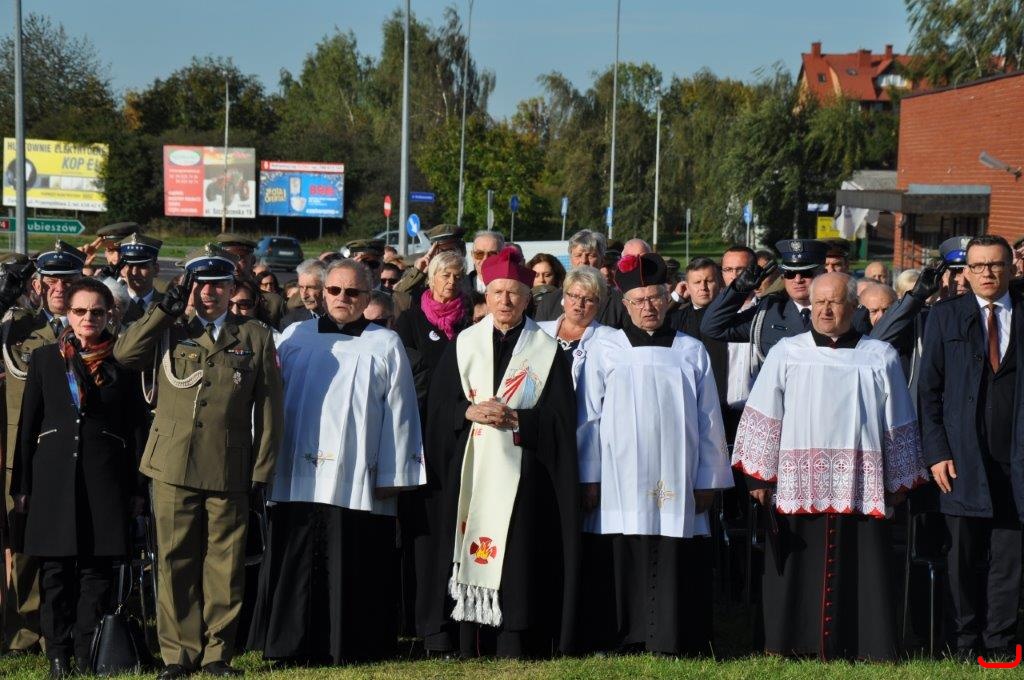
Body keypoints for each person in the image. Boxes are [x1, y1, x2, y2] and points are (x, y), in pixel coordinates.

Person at [733, 272, 927, 660]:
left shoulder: (880, 356)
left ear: (853, 307)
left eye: (834, 302)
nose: (825, 309)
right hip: (798, 483)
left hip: (861, 484)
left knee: (863, 567)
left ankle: (865, 644)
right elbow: (765, 411)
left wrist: (898, 480)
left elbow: (898, 419)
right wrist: (759, 475)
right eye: (819, 302)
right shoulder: (787, 352)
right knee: (794, 569)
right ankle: (788, 641)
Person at [114, 244, 283, 679]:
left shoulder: (254, 336)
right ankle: (178, 654)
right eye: (200, 284)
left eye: (218, 284)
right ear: (187, 287)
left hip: (229, 465)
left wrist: (262, 469)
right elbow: (125, 355)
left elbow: (269, 410)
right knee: (174, 560)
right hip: (173, 464)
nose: (209, 292)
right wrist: (163, 311)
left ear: (231, 288)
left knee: (225, 564)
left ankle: (217, 654)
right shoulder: (169, 328)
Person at [248, 259, 423, 665]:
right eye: (335, 290)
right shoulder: (295, 336)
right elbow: (269, 400)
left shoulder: (385, 343)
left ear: (368, 296)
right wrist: (264, 459)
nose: (343, 298)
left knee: (353, 558)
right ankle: (289, 644)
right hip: (296, 472)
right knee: (295, 557)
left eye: (353, 292)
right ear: (322, 293)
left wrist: (394, 473)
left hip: (356, 474)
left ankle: (350, 645)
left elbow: (401, 412)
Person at [423, 246, 580, 657]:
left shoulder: (546, 351)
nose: (505, 301)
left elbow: (561, 421)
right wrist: (467, 410)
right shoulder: (464, 344)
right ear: (486, 295)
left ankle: (514, 637)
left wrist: (520, 420)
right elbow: (438, 408)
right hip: (470, 470)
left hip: (524, 473)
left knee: (520, 554)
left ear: (528, 298)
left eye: (513, 293)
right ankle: (466, 635)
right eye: (497, 292)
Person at [577, 253, 733, 656]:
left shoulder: (691, 350)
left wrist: (708, 479)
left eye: (655, 298)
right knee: (622, 546)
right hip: (619, 474)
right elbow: (588, 416)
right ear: (625, 303)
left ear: (668, 298)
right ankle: (622, 634)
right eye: (639, 300)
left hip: (678, 471)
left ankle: (674, 636)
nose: (648, 307)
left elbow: (709, 418)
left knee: (674, 548)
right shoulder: (605, 348)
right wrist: (589, 477)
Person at [11, 278, 148, 678]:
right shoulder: (44, 359)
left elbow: (137, 430)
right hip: (53, 479)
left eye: (97, 312)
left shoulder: (122, 361)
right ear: (67, 314)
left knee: (95, 573)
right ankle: (58, 654)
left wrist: (137, 489)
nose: (89, 318)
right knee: (55, 572)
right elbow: (28, 425)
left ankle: (87, 652)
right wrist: (22, 486)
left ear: (110, 315)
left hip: (104, 481)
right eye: (80, 311)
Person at [919, 235, 1024, 661]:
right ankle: (963, 642)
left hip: (1016, 460)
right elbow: (928, 392)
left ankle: (999, 642)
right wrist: (936, 452)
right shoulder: (945, 317)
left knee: (1009, 558)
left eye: (995, 264)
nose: (987, 273)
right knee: (961, 555)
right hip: (961, 460)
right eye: (977, 266)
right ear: (966, 271)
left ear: (1012, 268)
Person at [2, 241, 84, 655]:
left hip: (67, 451)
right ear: (37, 284)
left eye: (67, 279)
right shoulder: (17, 325)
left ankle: (58, 626)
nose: (59, 287)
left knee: (61, 542)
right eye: (51, 279)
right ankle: (22, 630)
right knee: (21, 543)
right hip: (20, 449)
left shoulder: (90, 326)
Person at [393, 250, 472, 653]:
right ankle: (423, 622)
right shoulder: (409, 322)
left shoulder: (471, 321)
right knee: (424, 534)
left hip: (462, 438)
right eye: (445, 275)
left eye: (458, 276)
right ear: (430, 278)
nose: (451, 282)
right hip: (422, 440)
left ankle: (459, 620)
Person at [701, 239, 829, 362]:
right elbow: (712, 328)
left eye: (806, 273)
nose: (797, 279)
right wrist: (738, 289)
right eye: (790, 274)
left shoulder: (838, 312)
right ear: (783, 277)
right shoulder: (769, 312)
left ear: (823, 273)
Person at [534, 230, 626, 328]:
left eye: (590, 255)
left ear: (602, 260)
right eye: (578, 255)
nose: (583, 261)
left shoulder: (619, 303)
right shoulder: (549, 302)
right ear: (571, 259)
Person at [537, 267, 609, 387]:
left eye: (588, 299)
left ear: (598, 303)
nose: (579, 304)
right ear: (564, 296)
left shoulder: (609, 339)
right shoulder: (538, 331)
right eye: (574, 296)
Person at [215, 235, 287, 329]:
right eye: (228, 259)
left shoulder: (273, 303)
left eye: (240, 259)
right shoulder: (209, 298)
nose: (234, 267)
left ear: (252, 261)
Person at [393, 225, 469, 304]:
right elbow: (397, 296)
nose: (449, 257)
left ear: (463, 251)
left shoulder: (469, 279)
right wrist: (419, 272)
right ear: (434, 252)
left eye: (453, 251)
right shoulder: (421, 276)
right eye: (444, 252)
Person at [118, 234, 164, 325]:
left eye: (142, 266)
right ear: (122, 270)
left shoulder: (166, 305)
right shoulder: (113, 304)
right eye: (129, 266)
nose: (134, 272)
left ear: (156, 269)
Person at [280, 259, 325, 328]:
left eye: (310, 287)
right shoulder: (290, 322)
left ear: (325, 287)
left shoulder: (340, 317)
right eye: (301, 287)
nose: (304, 296)